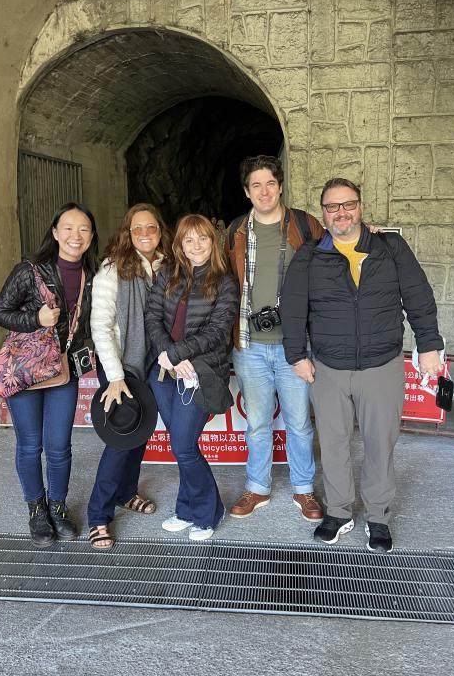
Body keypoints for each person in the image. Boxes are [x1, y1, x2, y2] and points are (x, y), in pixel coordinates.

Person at [281, 177, 443, 553]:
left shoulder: (390, 246)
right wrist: (296, 355)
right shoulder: (309, 255)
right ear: (324, 213)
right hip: (329, 368)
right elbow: (292, 309)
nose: (341, 212)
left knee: (379, 443)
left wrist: (429, 344)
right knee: (335, 444)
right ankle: (338, 512)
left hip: (381, 364)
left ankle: (378, 516)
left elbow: (418, 295)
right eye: (333, 206)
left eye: (348, 204)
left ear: (360, 206)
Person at [0, 202, 99, 547]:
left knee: (59, 446)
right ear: (54, 233)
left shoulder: (92, 275)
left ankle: (58, 507)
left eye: (83, 229)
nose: (75, 236)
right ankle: (36, 510)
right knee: (29, 444)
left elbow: (89, 324)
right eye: (68, 228)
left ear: (91, 235)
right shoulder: (29, 270)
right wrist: (35, 319)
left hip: (63, 371)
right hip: (25, 372)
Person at [224, 155, 325, 523]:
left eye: (270, 183)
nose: (264, 191)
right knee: (257, 423)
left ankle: (304, 489)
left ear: (280, 185)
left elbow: (335, 261)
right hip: (250, 345)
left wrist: (370, 235)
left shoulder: (305, 224)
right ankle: (258, 487)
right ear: (247, 191)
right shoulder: (236, 230)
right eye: (256, 185)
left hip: (295, 347)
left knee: (299, 422)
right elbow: (223, 283)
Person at [145, 214, 239, 540]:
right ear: (179, 244)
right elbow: (152, 317)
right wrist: (167, 354)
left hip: (201, 371)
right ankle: (186, 509)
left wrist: (179, 354)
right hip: (165, 371)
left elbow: (218, 331)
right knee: (179, 444)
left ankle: (208, 512)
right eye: (189, 239)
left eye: (203, 238)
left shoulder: (224, 280)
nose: (196, 245)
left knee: (184, 446)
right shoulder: (167, 275)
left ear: (213, 241)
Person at [86, 203, 171, 550]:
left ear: (160, 231)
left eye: (151, 227)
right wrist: (116, 375)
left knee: (141, 432)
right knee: (121, 439)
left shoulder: (167, 265)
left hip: (154, 364)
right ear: (128, 233)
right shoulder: (112, 269)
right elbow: (100, 325)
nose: (145, 234)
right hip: (121, 366)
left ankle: (126, 492)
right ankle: (98, 515)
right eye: (138, 229)